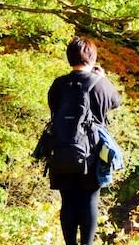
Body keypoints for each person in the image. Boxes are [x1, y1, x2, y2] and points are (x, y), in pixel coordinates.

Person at [47, 37, 121, 245]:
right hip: (92, 153)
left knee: (68, 200)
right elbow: (116, 102)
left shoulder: (58, 85)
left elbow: (53, 108)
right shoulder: (99, 84)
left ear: (69, 57)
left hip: (61, 150)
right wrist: (103, 78)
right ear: (93, 57)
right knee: (90, 199)